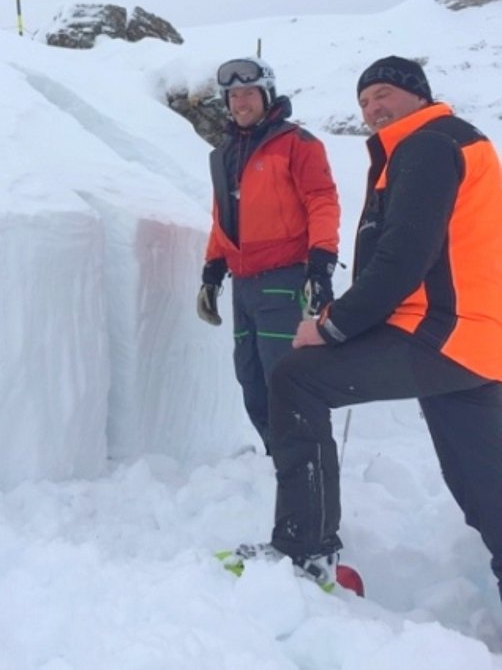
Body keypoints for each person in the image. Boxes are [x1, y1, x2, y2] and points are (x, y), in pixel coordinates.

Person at [256, 55, 502, 596]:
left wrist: (333, 326)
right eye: (364, 102)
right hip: (475, 340)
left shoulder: (430, 144)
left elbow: (405, 256)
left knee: (296, 377)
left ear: (419, 94)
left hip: (441, 334)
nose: (373, 109)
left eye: (384, 94)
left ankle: (304, 550)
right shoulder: (447, 145)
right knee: (483, 480)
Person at [197, 56, 340, 454]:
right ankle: (281, 458)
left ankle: (307, 461)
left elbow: (322, 201)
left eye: (249, 93)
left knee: (285, 377)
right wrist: (212, 271)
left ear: (266, 95)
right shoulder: (224, 153)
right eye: (233, 95)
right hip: (243, 285)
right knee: (251, 379)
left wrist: (321, 263)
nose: (241, 102)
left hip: (284, 279)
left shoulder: (298, 144)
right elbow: (223, 217)